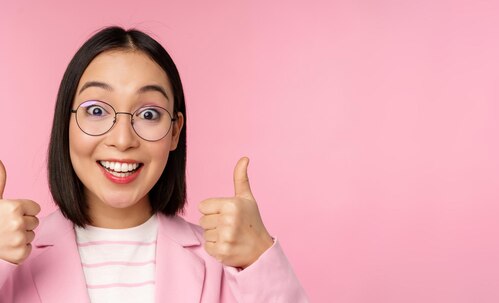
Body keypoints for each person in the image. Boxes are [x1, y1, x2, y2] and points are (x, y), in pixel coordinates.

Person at [0, 26, 308, 302]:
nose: (122, 140)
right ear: (65, 124)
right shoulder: (10, 257)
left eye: (149, 114)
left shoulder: (228, 264)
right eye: (96, 111)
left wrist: (260, 257)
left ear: (174, 131)